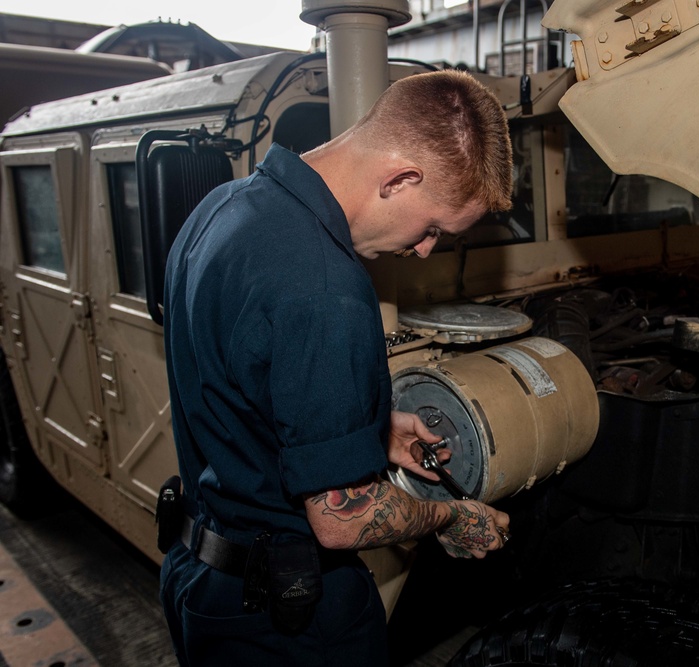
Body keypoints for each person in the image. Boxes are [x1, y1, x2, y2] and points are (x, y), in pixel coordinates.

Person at [159, 70, 514, 666]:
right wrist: (451, 515)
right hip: (286, 620)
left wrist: (372, 428)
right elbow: (341, 523)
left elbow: (240, 389)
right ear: (401, 178)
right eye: (432, 229)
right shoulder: (328, 288)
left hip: (202, 578)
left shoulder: (223, 207)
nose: (424, 249)